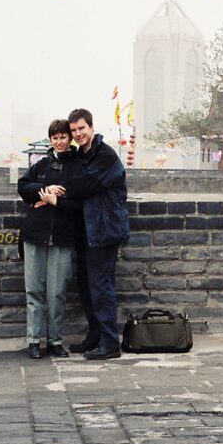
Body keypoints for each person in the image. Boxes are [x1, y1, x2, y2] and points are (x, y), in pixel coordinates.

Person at [59, 108, 131, 360]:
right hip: (85, 228)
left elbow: (86, 186)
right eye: (74, 130)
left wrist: (57, 192)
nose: (78, 134)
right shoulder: (81, 156)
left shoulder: (105, 155)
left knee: (101, 287)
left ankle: (110, 343)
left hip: (104, 228)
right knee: (85, 286)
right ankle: (95, 335)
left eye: (81, 128)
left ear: (91, 127)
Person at [16, 119, 76, 359]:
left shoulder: (78, 165)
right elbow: (23, 187)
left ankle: (55, 340)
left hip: (62, 237)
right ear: (50, 139)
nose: (59, 142)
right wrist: (45, 189)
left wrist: (55, 199)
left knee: (57, 293)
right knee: (33, 291)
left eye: (63, 137)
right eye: (55, 138)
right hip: (35, 235)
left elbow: (80, 195)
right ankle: (33, 340)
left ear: (70, 138)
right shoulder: (41, 164)